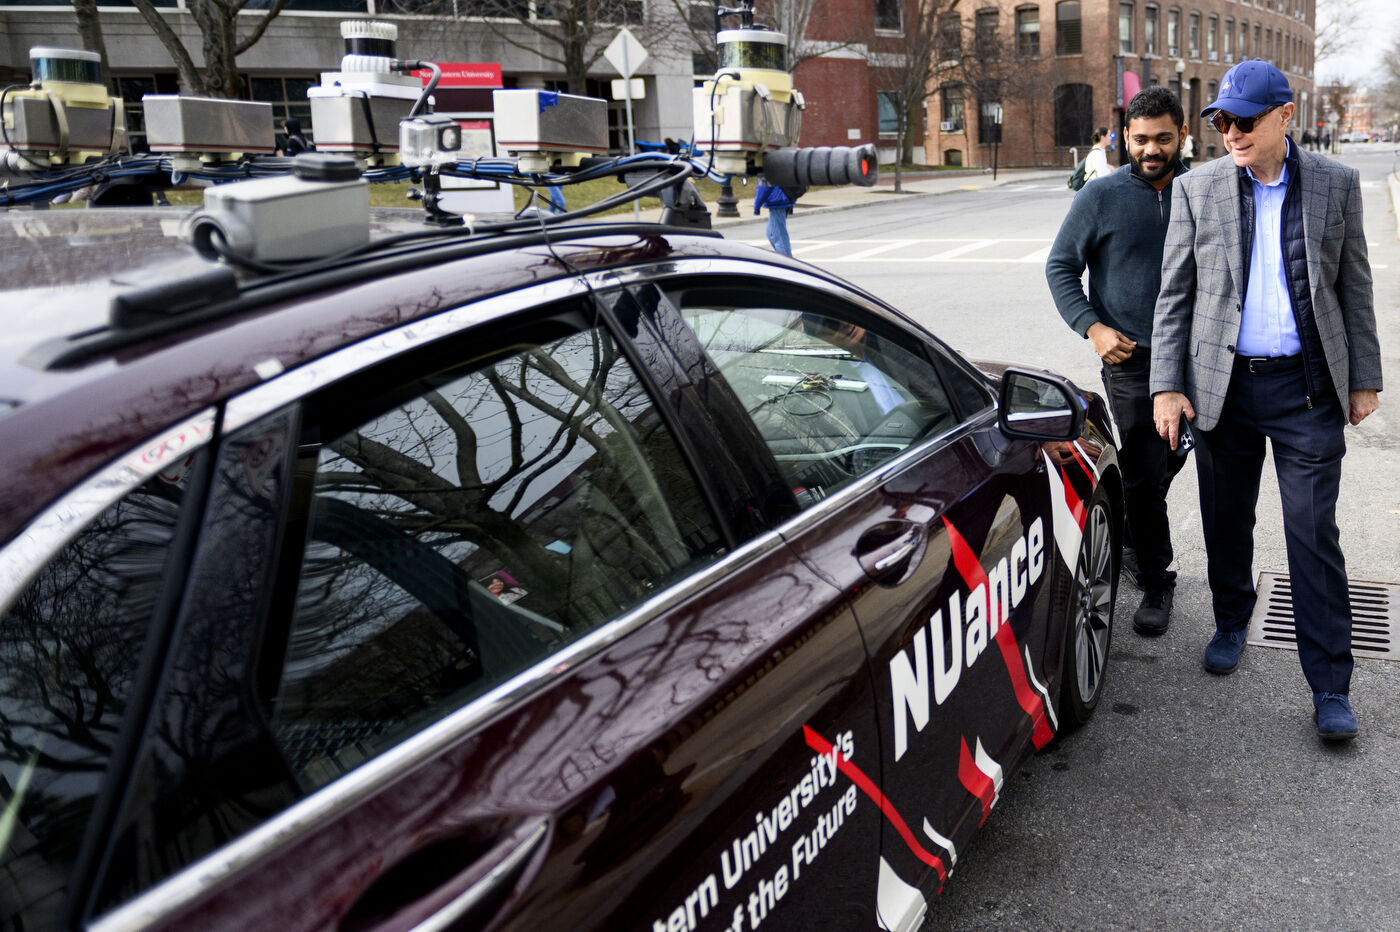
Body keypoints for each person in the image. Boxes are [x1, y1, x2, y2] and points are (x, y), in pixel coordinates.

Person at [1149, 59, 1382, 741]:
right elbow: (1175, 296)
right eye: (1222, 121)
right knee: (1226, 518)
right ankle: (1230, 618)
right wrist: (1167, 384)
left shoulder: (1337, 185)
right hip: (1224, 387)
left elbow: (1354, 287)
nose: (1230, 133)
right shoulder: (1198, 190)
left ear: (1285, 115)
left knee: (1313, 535)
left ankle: (1331, 684)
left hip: (1308, 388)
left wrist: (1362, 377)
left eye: (1244, 121)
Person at [1046, 86, 1189, 637]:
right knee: (1146, 473)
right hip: (1130, 360)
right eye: (1141, 139)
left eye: (1163, 138)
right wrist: (1094, 327)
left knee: (1168, 462)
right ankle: (1157, 581)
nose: (1151, 149)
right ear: (1124, 137)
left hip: (1197, 359)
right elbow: (1060, 268)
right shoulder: (1100, 197)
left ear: (1181, 136)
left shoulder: (1203, 191)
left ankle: (1131, 532)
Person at [753, 182, 802, 255]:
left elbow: (764, 187)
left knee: (778, 238)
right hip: (784, 200)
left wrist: (757, 206)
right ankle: (785, 260)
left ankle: (787, 263)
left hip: (777, 202)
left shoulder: (766, 171)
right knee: (771, 233)